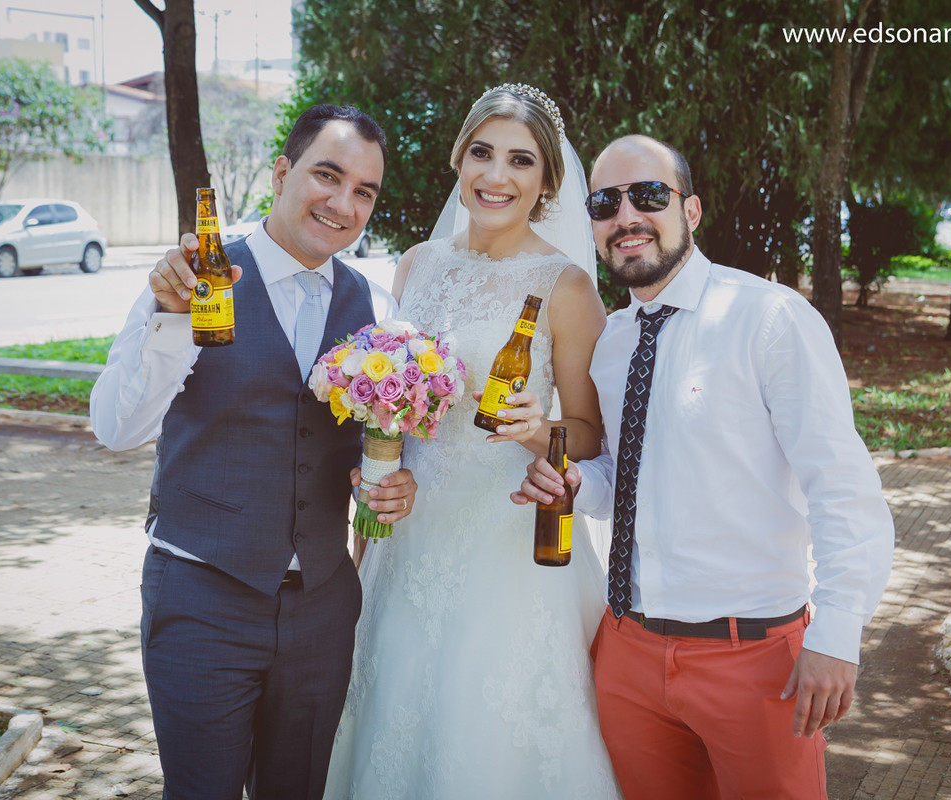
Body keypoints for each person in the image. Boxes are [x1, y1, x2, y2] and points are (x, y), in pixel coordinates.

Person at [513, 134, 896, 799]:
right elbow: (623, 477)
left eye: (649, 195)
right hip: (627, 655)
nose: (626, 216)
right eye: (605, 203)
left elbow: (843, 487)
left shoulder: (770, 319)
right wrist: (579, 483)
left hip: (752, 658)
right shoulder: (612, 343)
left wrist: (836, 636)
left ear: (690, 211)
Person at [90, 105, 418, 800]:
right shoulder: (192, 279)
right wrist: (171, 322)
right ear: (282, 172)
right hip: (202, 597)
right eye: (327, 176)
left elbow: (373, 441)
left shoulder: (377, 309)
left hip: (324, 607)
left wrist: (392, 481)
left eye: (364, 191)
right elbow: (116, 429)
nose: (343, 203)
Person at [324, 85, 621, 799]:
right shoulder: (416, 265)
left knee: (486, 739)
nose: (497, 175)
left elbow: (589, 435)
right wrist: (374, 486)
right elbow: (394, 409)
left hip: (508, 544)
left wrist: (538, 431)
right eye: (482, 152)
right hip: (409, 536)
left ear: (546, 181)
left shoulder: (566, 284)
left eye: (521, 160)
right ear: (459, 158)